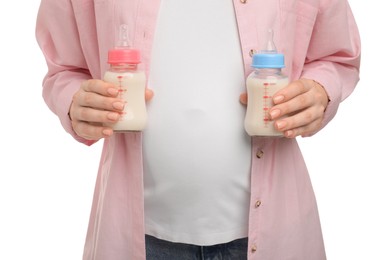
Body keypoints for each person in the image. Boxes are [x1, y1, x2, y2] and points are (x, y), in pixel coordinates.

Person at [35, 0, 360, 259]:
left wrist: (319, 91)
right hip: (139, 238)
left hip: (273, 232)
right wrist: (75, 101)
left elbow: (336, 57)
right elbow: (64, 68)